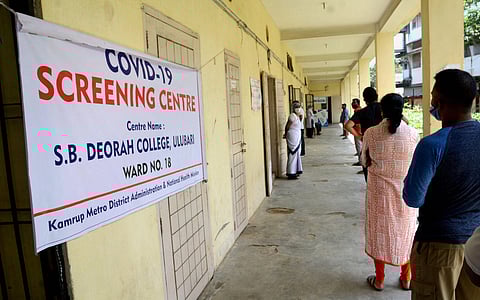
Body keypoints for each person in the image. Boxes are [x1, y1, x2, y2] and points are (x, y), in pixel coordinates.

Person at [403, 69, 480, 299]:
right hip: (476, 246)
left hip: (439, 248)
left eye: (433, 97)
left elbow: (413, 198)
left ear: (440, 102)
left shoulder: (432, 145)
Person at [361, 93, 419, 292]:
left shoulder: (371, 133)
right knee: (406, 232)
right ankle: (406, 278)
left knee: (380, 234)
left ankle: (379, 279)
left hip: (379, 194)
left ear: (382, 110)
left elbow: (363, 160)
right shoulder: (413, 134)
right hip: (406, 194)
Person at [345, 87, 383, 181]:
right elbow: (404, 121)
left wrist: (359, 136)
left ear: (364, 99)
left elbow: (348, 125)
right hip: (384, 145)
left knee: (370, 179)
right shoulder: (384, 109)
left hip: (369, 148)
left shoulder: (362, 112)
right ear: (377, 96)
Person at [284, 101, 303, 179]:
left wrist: (300, 117)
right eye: (296, 107)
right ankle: (291, 172)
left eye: (299, 107)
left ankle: (296, 170)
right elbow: (287, 126)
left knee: (297, 153)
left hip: (297, 135)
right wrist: (285, 134)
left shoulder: (298, 116)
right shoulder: (292, 116)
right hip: (292, 135)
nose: (298, 109)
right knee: (293, 154)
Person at [351, 98, 362, 167]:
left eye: (354, 102)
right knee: (360, 146)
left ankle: (361, 161)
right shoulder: (359, 110)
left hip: (358, 131)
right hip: (359, 130)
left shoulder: (358, 111)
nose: (353, 104)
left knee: (359, 147)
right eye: (352, 102)